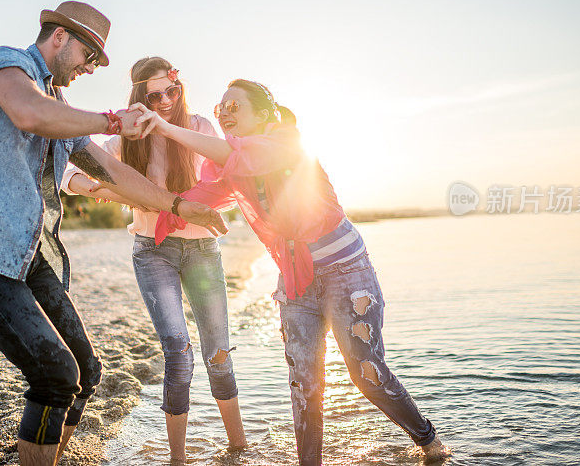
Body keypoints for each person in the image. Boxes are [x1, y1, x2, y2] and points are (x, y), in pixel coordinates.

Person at [0, 2, 227, 466]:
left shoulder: (61, 107)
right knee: (54, 372)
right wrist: (111, 121)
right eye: (89, 56)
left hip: (28, 251)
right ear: (60, 36)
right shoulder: (6, 63)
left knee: (85, 372)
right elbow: (29, 113)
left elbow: (111, 170)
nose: (90, 68)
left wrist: (182, 206)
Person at [134, 79, 450, 465]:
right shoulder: (231, 164)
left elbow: (242, 156)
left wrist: (164, 126)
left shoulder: (285, 144)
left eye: (234, 107)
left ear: (263, 114)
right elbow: (200, 195)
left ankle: (428, 440)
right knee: (304, 383)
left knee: (365, 373)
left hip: (347, 271)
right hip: (296, 280)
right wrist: (163, 213)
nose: (225, 114)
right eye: (221, 109)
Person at [60, 57, 246, 461]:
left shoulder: (197, 128)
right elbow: (66, 167)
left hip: (201, 250)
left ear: (180, 89)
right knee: (178, 352)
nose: (164, 101)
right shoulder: (124, 139)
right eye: (154, 95)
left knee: (218, 354)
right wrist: (91, 187)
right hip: (152, 252)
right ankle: (177, 459)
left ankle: (240, 448)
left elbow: (226, 169)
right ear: (139, 97)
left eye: (171, 91)